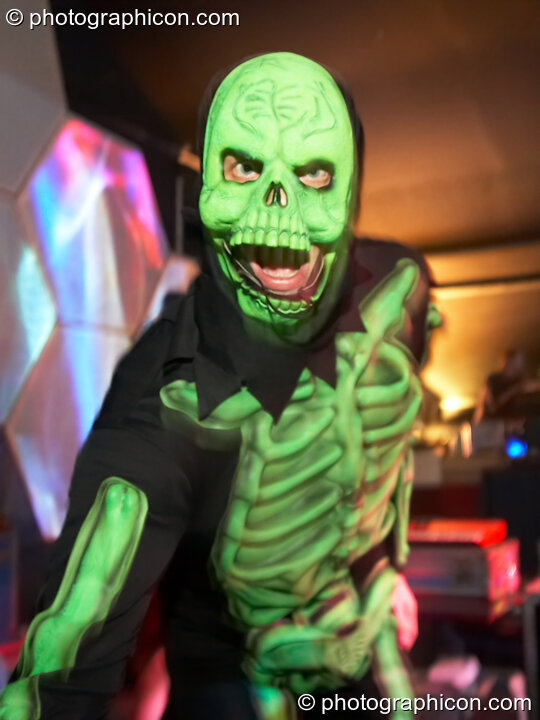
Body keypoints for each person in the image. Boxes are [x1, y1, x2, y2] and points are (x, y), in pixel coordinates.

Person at [0, 52, 438, 720]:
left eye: (313, 173)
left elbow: (382, 445)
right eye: (242, 167)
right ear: (204, 191)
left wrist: (382, 565)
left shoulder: (398, 287)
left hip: (359, 638)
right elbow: (66, 658)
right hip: (231, 674)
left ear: (347, 195)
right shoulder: (164, 393)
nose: (276, 204)